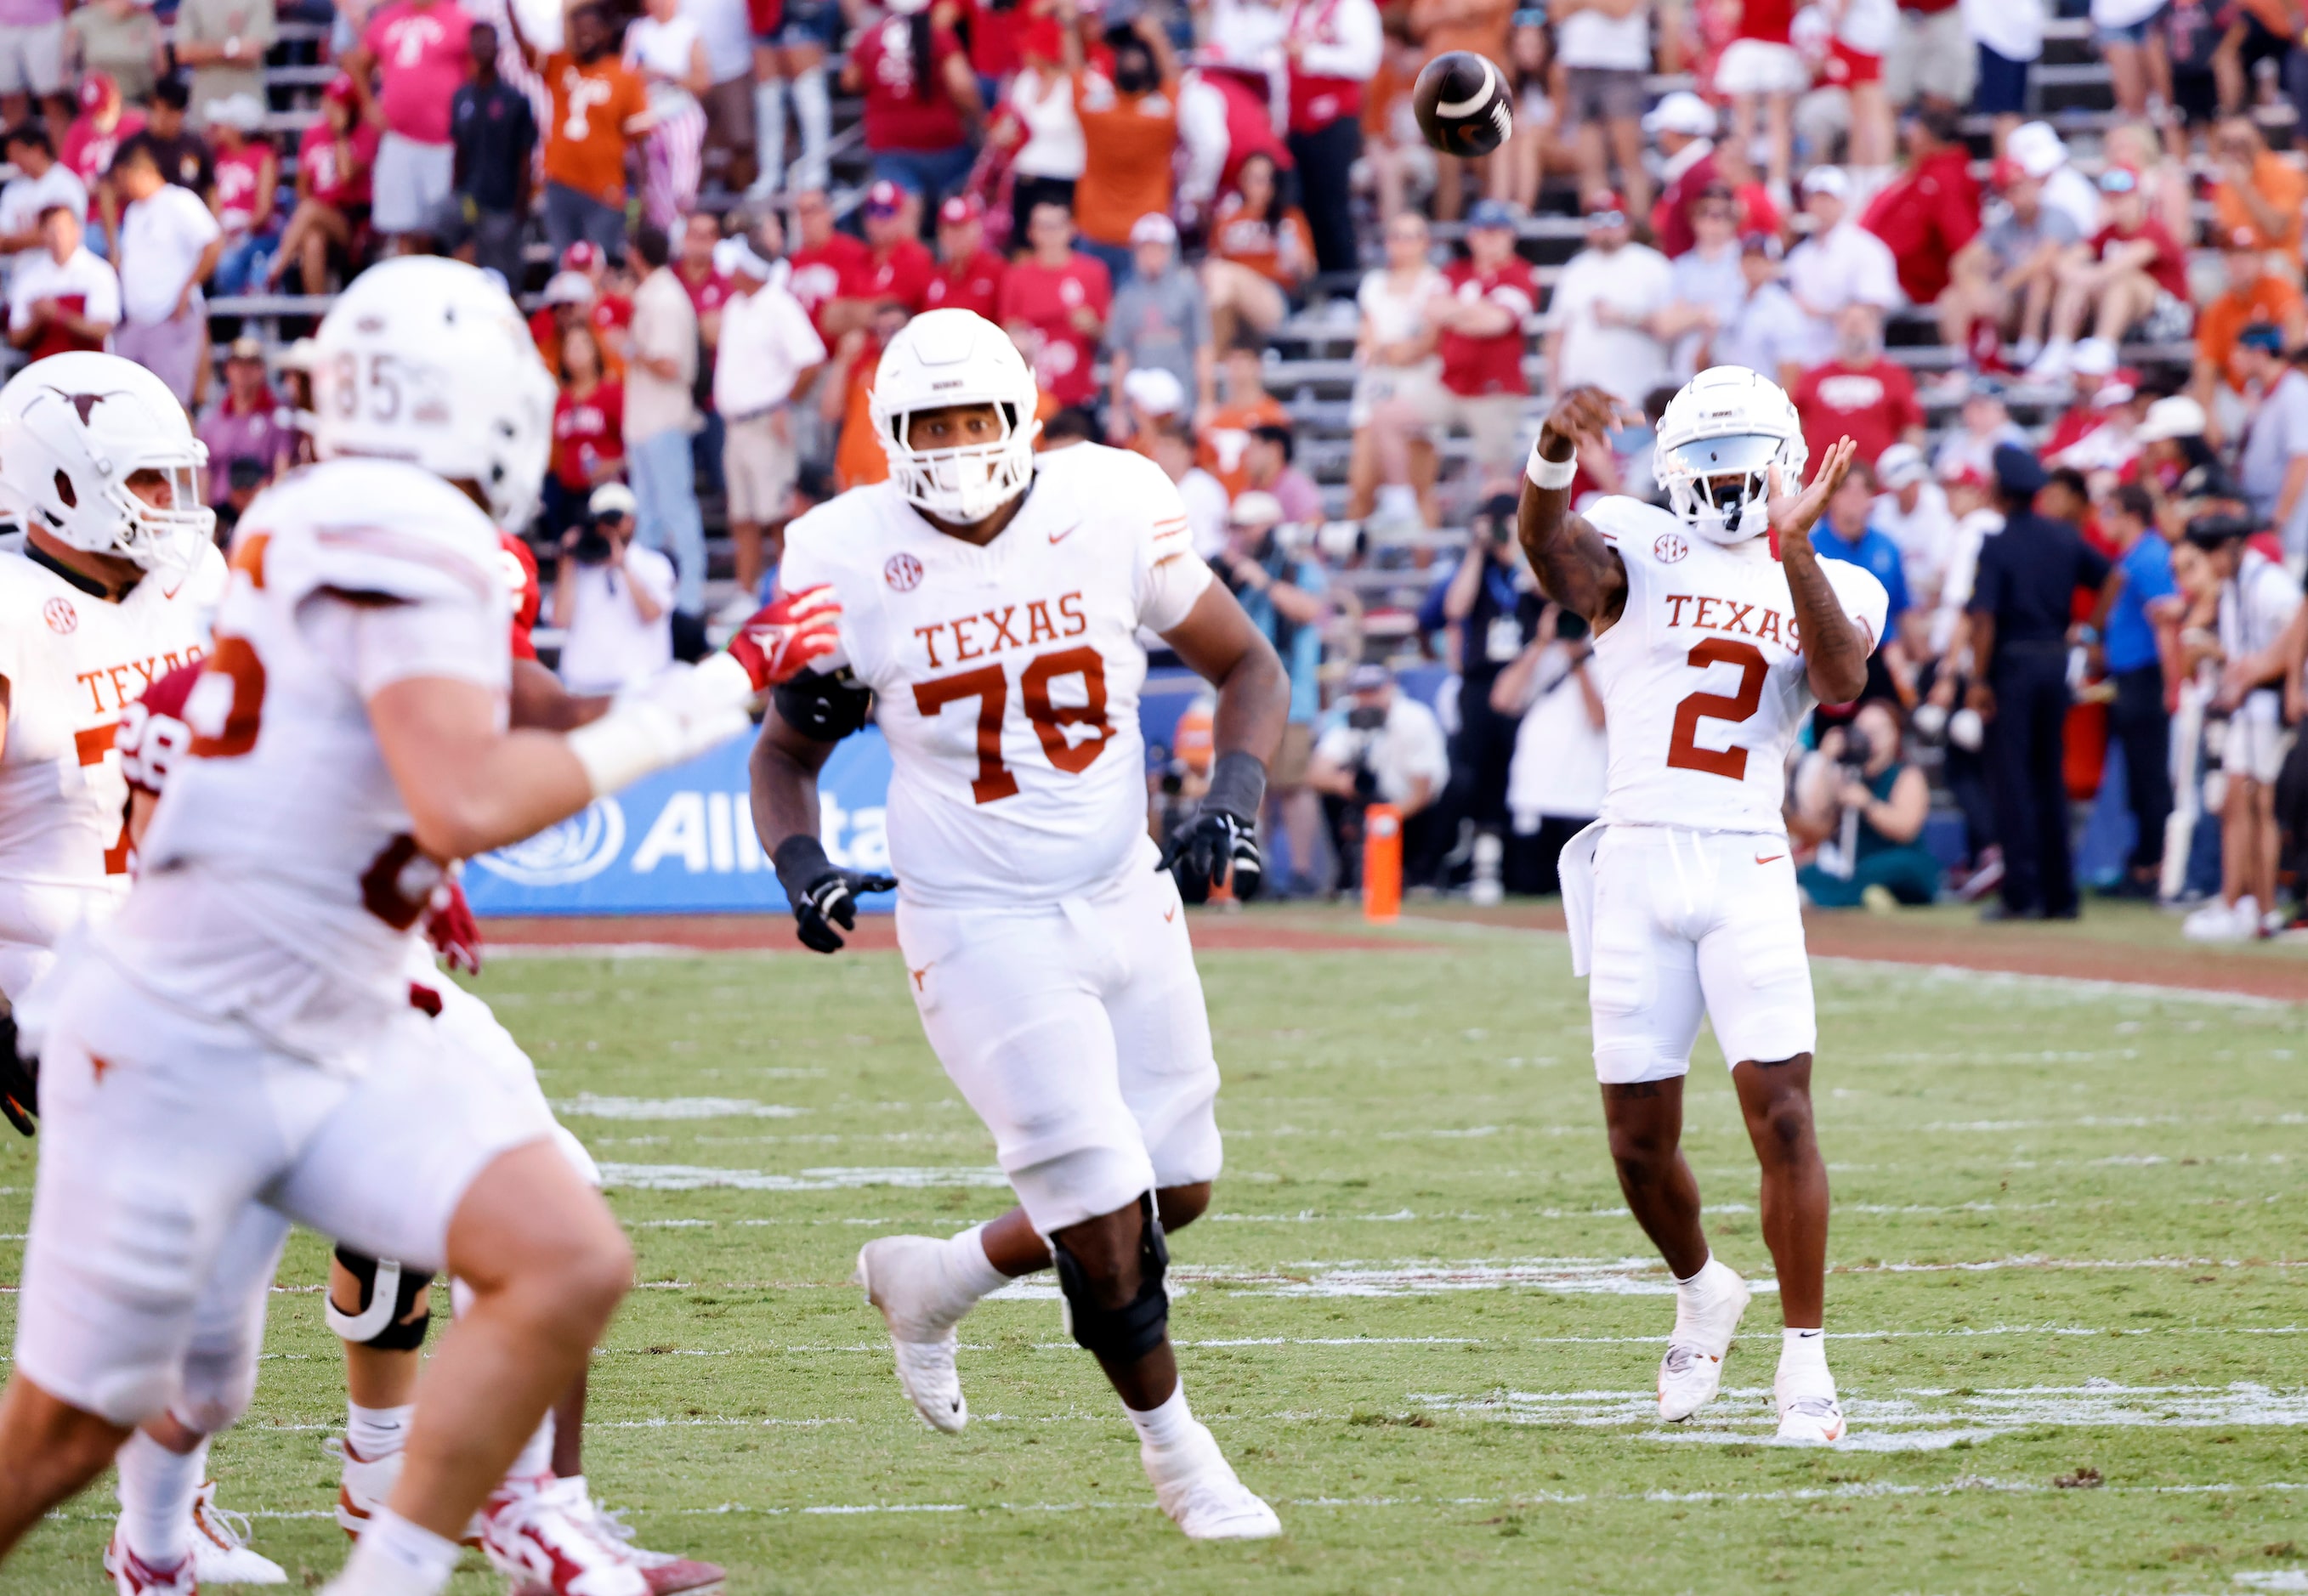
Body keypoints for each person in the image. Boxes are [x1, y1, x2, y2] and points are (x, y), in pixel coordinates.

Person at [0, 259, 833, 1596]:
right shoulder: (392, 527)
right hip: (187, 1018)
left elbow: (399, 718)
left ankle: (447, 1541)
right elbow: (461, 794)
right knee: (93, 1417)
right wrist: (718, 692)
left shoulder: (320, 517)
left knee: (562, 1246)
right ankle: (162, 1547)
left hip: (326, 982)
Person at [751, 306, 1290, 1541]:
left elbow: (1248, 666)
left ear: (1018, 418)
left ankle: (933, 1277)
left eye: (968, 418)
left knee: (1172, 1189)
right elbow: (785, 750)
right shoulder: (838, 552)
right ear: (887, 435)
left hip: (1124, 892)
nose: (949, 446)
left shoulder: (1106, 501)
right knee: (1103, 1216)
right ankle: (1182, 1458)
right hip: (978, 919)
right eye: (923, 424)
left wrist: (1234, 802)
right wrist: (801, 865)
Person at [1517, 367, 1886, 1445]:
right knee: (1637, 1142)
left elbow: (1840, 680)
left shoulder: (1839, 574)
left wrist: (1798, 550)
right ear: (1677, 473)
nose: (1727, 484)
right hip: (1634, 860)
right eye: (1710, 463)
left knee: (1784, 1113)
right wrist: (1550, 448)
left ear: (1783, 463)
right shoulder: (1635, 540)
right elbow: (1549, 551)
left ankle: (1806, 1360)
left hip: (1745, 863)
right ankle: (1701, 1286)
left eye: (1744, 462)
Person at [0, 352, 277, 1588]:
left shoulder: (197, 587)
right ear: (60, 484)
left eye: (180, 476)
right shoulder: (10, 619)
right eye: (146, 480)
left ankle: (166, 1519)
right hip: (35, 965)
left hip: (173, 962)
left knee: (196, 1237)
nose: (174, 503)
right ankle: (158, 1529)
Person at [1967, 443, 2112, 920]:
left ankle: (2021, 894)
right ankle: (2061, 895)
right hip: (2054, 664)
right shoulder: (2064, 538)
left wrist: (1978, 679)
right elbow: (2113, 577)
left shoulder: (1997, 543)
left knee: (2012, 782)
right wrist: (2089, 629)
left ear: (2000, 491)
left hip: (2012, 669)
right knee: (2050, 778)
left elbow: (1984, 619)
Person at [2182, 514, 2305, 938]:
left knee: (2258, 805)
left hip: (2267, 702)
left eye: (2215, 551)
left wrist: (2261, 671)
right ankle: (2241, 901)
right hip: (2245, 705)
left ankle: (2260, 906)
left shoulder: (2269, 584)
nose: (2212, 562)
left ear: (2234, 546)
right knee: (2238, 805)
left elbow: (2298, 634)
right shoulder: (2232, 587)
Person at [1420, 492, 1545, 875]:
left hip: (1525, 677)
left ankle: (1511, 863)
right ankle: (1458, 854)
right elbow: (1453, 609)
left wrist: (1516, 550)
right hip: (1478, 681)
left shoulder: (1530, 563)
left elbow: (1545, 590)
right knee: (1471, 770)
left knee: (1518, 769)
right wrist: (1478, 550)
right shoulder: (1474, 567)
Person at [1215, 488, 1329, 891]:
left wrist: (1262, 581)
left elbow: (1311, 610)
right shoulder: (1232, 570)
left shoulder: (1296, 566)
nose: (1240, 535)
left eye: (1247, 527)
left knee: (1294, 786)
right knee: (1250, 788)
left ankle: (1301, 873)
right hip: (1247, 696)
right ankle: (1249, 874)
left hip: (1292, 696)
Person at [715, 235, 826, 607]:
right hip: (736, 425)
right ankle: (745, 594)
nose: (730, 272)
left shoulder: (779, 306)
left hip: (766, 424)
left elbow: (811, 360)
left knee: (779, 515)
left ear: (750, 268)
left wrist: (785, 404)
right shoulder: (735, 306)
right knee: (742, 515)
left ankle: (790, 590)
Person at [2086, 482, 2175, 899]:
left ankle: (2152, 866)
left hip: (2145, 676)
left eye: (2111, 512)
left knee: (2150, 777)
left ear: (2131, 515)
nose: (2105, 521)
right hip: (2130, 677)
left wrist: (2171, 684)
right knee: (2139, 778)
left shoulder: (2150, 556)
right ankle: (2144, 860)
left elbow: (2166, 621)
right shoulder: (2136, 556)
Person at [508, 0, 649, 263]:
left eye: (591, 30)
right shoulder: (560, 64)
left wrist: (641, 196)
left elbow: (640, 141)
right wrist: (510, 9)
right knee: (564, 263)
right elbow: (526, 50)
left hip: (604, 189)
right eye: (579, 30)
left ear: (605, 33)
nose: (584, 37)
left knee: (598, 264)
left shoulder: (624, 76)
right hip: (560, 182)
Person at [2032, 165, 2193, 381]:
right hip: (2128, 317)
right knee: (2081, 279)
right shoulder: (2108, 232)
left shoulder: (2154, 231)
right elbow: (2065, 260)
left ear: (2139, 198)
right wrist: (2075, 276)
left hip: (2168, 318)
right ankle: (2060, 344)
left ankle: (2103, 345)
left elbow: (2119, 266)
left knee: (2120, 279)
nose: (2120, 206)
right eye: (2113, 199)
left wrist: (2082, 277)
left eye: (2125, 198)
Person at [625, 224, 706, 626]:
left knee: (677, 511)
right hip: (643, 422)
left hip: (664, 421)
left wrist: (626, 349)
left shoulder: (666, 299)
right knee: (648, 519)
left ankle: (690, 600)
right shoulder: (650, 295)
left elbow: (670, 364)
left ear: (637, 254)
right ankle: (649, 597)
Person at [1307, 660, 1451, 889]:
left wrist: (1383, 818)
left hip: (1414, 810)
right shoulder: (1348, 719)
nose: (1366, 699)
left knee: (1454, 793)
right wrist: (1345, 783)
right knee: (1331, 796)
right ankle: (1351, 871)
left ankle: (1421, 872)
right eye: (1360, 692)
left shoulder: (1414, 720)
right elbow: (1316, 773)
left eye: (1373, 691)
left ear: (1390, 688)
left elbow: (1423, 790)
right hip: (1373, 804)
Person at [1495, 603, 1608, 894]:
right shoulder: (1542, 658)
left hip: (1582, 797)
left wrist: (1578, 661)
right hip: (1534, 792)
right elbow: (1502, 700)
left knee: (1579, 890)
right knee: (1530, 887)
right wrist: (1541, 643)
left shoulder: (1608, 661)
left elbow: (1599, 719)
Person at [1936, 154, 2082, 376]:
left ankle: (2029, 351)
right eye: (2010, 189)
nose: (2019, 194)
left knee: (2041, 277)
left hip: (2056, 307)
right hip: (2013, 306)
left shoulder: (2057, 216)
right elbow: (1962, 262)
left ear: (2034, 184)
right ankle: (1962, 363)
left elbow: (2043, 259)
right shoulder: (2003, 226)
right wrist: (1975, 287)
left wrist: (2001, 287)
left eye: (2021, 185)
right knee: (1952, 297)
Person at [343, 0, 473, 246]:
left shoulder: (459, 18)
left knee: (443, 230)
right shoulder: (387, 19)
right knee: (403, 229)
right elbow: (357, 62)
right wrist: (369, 104)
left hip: (445, 143)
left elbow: (476, 71)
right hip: (399, 139)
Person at [1065, 7, 1179, 280]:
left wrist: (1070, 26)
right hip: (1142, 235)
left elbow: (1075, 72)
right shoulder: (1159, 116)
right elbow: (1174, 80)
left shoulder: (1096, 110)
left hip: (1096, 230)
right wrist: (1155, 37)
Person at [1350, 208, 1446, 527]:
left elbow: (1426, 343)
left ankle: (1424, 570)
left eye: (1411, 237)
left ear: (1425, 242)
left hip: (1418, 391)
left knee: (1420, 487)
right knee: (1360, 485)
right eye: (1396, 236)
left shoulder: (1436, 284)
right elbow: (1367, 339)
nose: (1402, 244)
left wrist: (1388, 350)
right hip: (1375, 389)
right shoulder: (1374, 283)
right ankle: (1355, 569)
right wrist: (1393, 349)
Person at [109, 137, 220, 407]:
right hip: (137, 320)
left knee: (172, 406)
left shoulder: (179, 201)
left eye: (124, 178)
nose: (120, 187)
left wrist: (187, 290)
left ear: (142, 173)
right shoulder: (134, 211)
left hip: (170, 316)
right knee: (120, 400)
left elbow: (213, 244)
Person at [1545, 190, 1673, 405]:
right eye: (1596, 219)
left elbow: (1670, 325)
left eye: (1614, 218)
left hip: (1637, 397)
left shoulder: (1653, 266)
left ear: (1628, 224)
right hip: (1583, 402)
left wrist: (1623, 317)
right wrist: (1555, 393)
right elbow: (1556, 335)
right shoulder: (1575, 269)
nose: (1605, 227)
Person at [847, 0, 980, 206]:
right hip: (942, 143)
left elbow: (849, 80)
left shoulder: (872, 36)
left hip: (889, 142)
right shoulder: (939, 35)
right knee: (953, 210)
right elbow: (962, 85)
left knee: (903, 215)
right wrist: (978, 119)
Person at [1282, 0, 1380, 276]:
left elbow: (1366, 60)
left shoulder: (1352, 7)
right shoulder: (1294, 10)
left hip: (1335, 118)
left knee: (1333, 203)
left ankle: (1344, 284)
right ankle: (1316, 284)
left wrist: (1312, 55)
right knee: (1302, 206)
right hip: (1297, 122)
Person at [553, 481, 676, 695]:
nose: (607, 527)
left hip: (639, 690)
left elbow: (651, 613)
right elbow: (559, 620)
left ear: (632, 521)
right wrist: (566, 562)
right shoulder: (578, 566)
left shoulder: (653, 564)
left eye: (614, 519)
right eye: (600, 520)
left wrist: (622, 565)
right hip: (582, 689)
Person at [1858, 104, 1980, 308]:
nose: (1909, 136)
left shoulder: (1946, 179)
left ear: (1925, 135)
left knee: (1860, 302)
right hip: (1877, 270)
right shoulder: (1921, 172)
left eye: (1914, 130)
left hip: (1908, 283)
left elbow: (1965, 244)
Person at [1106, 212, 1215, 441]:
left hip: (1182, 402)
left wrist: (1206, 402)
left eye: (1159, 248)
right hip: (1139, 407)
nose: (1152, 256)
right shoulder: (1126, 296)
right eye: (1146, 249)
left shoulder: (1188, 291)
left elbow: (1202, 348)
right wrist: (1117, 410)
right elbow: (1121, 355)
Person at [999, 199, 1111, 415]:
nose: (1050, 234)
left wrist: (1093, 327)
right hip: (1032, 392)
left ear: (1071, 229)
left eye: (1056, 225)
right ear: (1031, 232)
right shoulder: (1016, 276)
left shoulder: (1093, 273)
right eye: (1042, 226)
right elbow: (1008, 331)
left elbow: (1112, 337)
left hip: (1079, 392)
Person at [445, 19, 534, 288]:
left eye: (489, 40)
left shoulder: (515, 100)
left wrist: (520, 205)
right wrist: (457, 191)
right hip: (470, 200)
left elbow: (525, 157)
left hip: (502, 204)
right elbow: (459, 149)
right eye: (478, 40)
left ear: (498, 48)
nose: (483, 46)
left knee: (502, 279)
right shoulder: (462, 98)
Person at [269, 76, 377, 294]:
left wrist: (340, 134)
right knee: (313, 241)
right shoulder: (314, 133)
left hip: (352, 220)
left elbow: (346, 174)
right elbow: (302, 186)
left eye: (336, 102)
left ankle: (273, 271)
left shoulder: (365, 133)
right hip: (318, 216)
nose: (328, 105)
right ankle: (318, 318)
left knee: (310, 210)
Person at [1783, 166, 1899, 365]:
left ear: (1844, 202)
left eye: (1829, 198)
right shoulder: (1799, 257)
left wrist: (1818, 312)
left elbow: (1873, 308)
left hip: (1854, 362)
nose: (1822, 206)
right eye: (1816, 198)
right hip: (1806, 363)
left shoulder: (1867, 249)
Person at [1792, 304, 1925, 473]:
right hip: (1818, 483)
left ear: (1876, 329)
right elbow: (1796, 425)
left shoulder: (1894, 376)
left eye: (1861, 322)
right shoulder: (1813, 376)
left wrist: (1907, 474)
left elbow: (1911, 428)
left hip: (1877, 489)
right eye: (1848, 321)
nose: (1854, 328)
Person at [2193, 235, 2306, 433]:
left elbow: (2297, 341)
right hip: (2237, 394)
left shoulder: (2278, 289)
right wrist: (2209, 418)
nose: (2239, 264)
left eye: (2246, 256)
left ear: (2261, 260)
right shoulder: (2218, 309)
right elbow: (2205, 369)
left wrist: (2279, 384)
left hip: (2278, 387)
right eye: (2233, 257)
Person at [1557, 0, 1655, 225]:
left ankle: (1641, 231)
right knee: (1589, 163)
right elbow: (1557, 11)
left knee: (1629, 158)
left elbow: (1621, 9)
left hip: (1622, 65)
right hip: (1578, 64)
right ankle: (1598, 230)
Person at [1202, 150, 1312, 350]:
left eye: (1264, 179)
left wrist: (1298, 258)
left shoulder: (1288, 219)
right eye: (1253, 178)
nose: (1259, 185)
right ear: (1242, 181)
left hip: (1273, 298)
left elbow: (1308, 271)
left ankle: (1209, 363)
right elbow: (1212, 264)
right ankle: (1220, 360)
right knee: (1217, 285)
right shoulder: (1227, 220)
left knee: (1220, 275)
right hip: (1232, 301)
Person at [624, 0, 712, 230]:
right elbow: (624, 75)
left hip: (680, 109)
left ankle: (683, 223)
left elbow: (702, 81)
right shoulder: (637, 30)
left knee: (681, 169)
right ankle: (661, 228)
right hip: (648, 112)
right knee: (650, 175)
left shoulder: (688, 29)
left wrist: (665, 75)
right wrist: (643, 74)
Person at [7, 202, 117, 359]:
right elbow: (16, 339)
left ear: (77, 231)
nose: (58, 237)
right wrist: (37, 319)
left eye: (62, 230)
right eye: (51, 231)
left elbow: (102, 330)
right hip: (44, 368)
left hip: (90, 365)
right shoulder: (28, 278)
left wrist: (59, 315)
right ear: (42, 234)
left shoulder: (99, 272)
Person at [2233, 330, 2308, 558]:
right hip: (2261, 515)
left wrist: (2278, 521)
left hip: (2288, 529)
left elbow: (2302, 460)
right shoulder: (2261, 392)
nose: (2233, 360)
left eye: (2239, 352)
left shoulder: (2295, 391)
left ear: (2260, 354)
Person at [196, 335, 292, 502]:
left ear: (262, 369)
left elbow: (281, 471)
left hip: (261, 508)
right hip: (222, 512)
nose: (244, 371)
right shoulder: (212, 421)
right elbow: (204, 476)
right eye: (238, 364)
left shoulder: (278, 419)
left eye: (252, 364)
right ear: (228, 369)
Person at [1714, 231, 1811, 388]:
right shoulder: (1728, 301)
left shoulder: (1783, 309)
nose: (1752, 266)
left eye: (1759, 260)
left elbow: (1790, 367)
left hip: (1761, 396)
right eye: (1747, 259)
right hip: (1725, 390)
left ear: (1771, 264)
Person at [203, 93, 276, 295]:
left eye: (225, 123)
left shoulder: (263, 155)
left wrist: (238, 230)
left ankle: (244, 319)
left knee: (228, 263)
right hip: (220, 232)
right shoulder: (215, 154)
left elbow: (264, 211)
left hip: (252, 233)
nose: (218, 127)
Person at [2209, 113, 2306, 260]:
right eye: (2226, 143)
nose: (2234, 150)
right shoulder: (2226, 181)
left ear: (2260, 140)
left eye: (2242, 142)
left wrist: (2244, 188)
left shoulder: (2284, 173)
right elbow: (2225, 231)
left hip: (2276, 257)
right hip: (2238, 259)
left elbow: (2277, 229)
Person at [171, 0, 273, 130]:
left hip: (247, 106)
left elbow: (252, 51)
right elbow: (183, 53)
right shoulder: (192, 2)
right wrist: (232, 48)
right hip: (204, 104)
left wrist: (203, 51)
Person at [1645, 90, 1721, 260]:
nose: (1661, 139)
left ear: (1674, 132)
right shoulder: (1691, 169)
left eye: (1663, 132)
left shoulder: (1699, 173)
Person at [0, 120, 87, 264]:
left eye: (18, 153)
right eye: (11, 156)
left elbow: (58, 235)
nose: (14, 161)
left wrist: (15, 240)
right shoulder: (12, 190)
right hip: (23, 275)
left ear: (38, 150)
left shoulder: (66, 183)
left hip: (65, 271)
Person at [66, 0, 163, 107]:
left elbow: (161, 70)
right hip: (94, 104)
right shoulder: (81, 20)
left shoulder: (147, 21)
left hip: (140, 103)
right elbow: (68, 72)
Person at [924, 193, 1005, 320]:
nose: (956, 236)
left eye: (962, 228)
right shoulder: (933, 275)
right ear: (941, 234)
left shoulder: (997, 271)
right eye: (950, 229)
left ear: (977, 230)